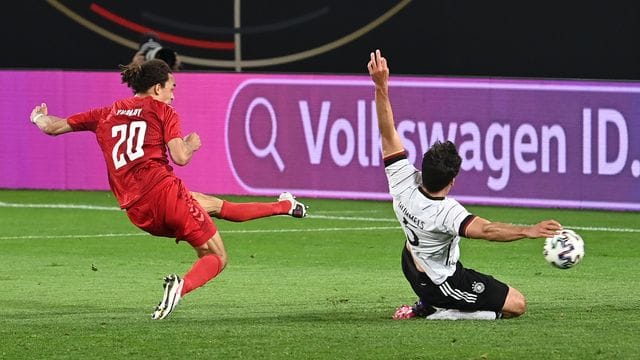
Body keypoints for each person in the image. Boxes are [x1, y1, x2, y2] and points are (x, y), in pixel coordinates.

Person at [29, 59, 307, 320]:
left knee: (209, 204)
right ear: (157, 88)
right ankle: (180, 287)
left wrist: (37, 118)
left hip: (137, 211)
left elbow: (53, 127)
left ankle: (286, 206)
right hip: (164, 193)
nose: (173, 95)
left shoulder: (105, 113)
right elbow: (181, 157)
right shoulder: (162, 111)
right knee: (217, 257)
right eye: (171, 88)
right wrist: (192, 144)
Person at [367, 50, 563, 320]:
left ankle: (427, 303)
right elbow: (488, 230)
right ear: (452, 180)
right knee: (516, 305)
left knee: (438, 257)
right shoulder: (445, 212)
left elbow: (387, 129)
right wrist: (529, 230)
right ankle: (440, 312)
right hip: (441, 283)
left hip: (411, 264)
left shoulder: (402, 180)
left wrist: (380, 85)